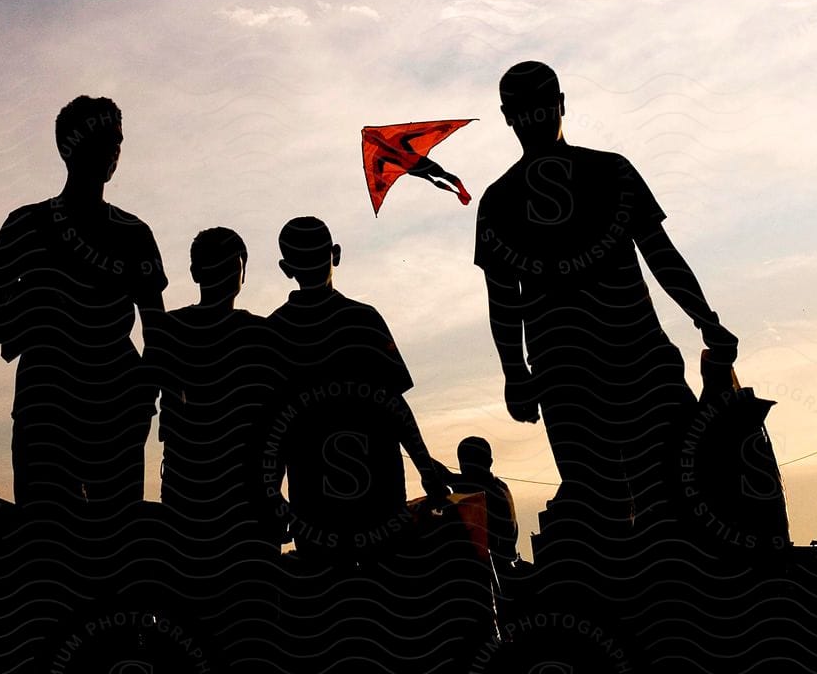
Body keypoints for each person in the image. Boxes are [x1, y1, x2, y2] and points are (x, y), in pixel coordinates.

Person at [473, 61, 738, 541]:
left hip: (573, 376)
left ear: (506, 115)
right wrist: (707, 321)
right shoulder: (608, 171)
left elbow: (502, 304)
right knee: (674, 502)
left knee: (613, 513)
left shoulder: (499, 200)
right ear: (562, 104)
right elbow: (661, 254)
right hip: (626, 366)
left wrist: (517, 375)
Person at [0, 96, 166, 511]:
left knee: (116, 540)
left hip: (117, 411)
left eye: (118, 141)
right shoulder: (26, 224)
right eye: (104, 139)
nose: (114, 151)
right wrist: (41, 320)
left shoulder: (134, 234)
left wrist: (142, 402)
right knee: (45, 536)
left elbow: (157, 331)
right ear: (70, 146)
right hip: (45, 406)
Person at [265, 216, 451, 564]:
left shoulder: (275, 332)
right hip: (381, 504)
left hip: (313, 510)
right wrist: (426, 469)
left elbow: (271, 428)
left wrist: (273, 498)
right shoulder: (363, 320)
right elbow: (395, 406)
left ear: (285, 268)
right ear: (335, 254)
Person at [146, 226, 280, 550]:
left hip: (248, 491)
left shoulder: (261, 336)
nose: (227, 274)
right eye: (220, 265)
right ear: (196, 272)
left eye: (232, 266)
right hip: (188, 488)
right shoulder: (171, 330)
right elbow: (140, 404)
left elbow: (280, 418)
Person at [450, 436, 519, 570]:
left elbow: (446, 477)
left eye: (469, 463)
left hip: (496, 568)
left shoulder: (486, 490)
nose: (465, 469)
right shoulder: (500, 486)